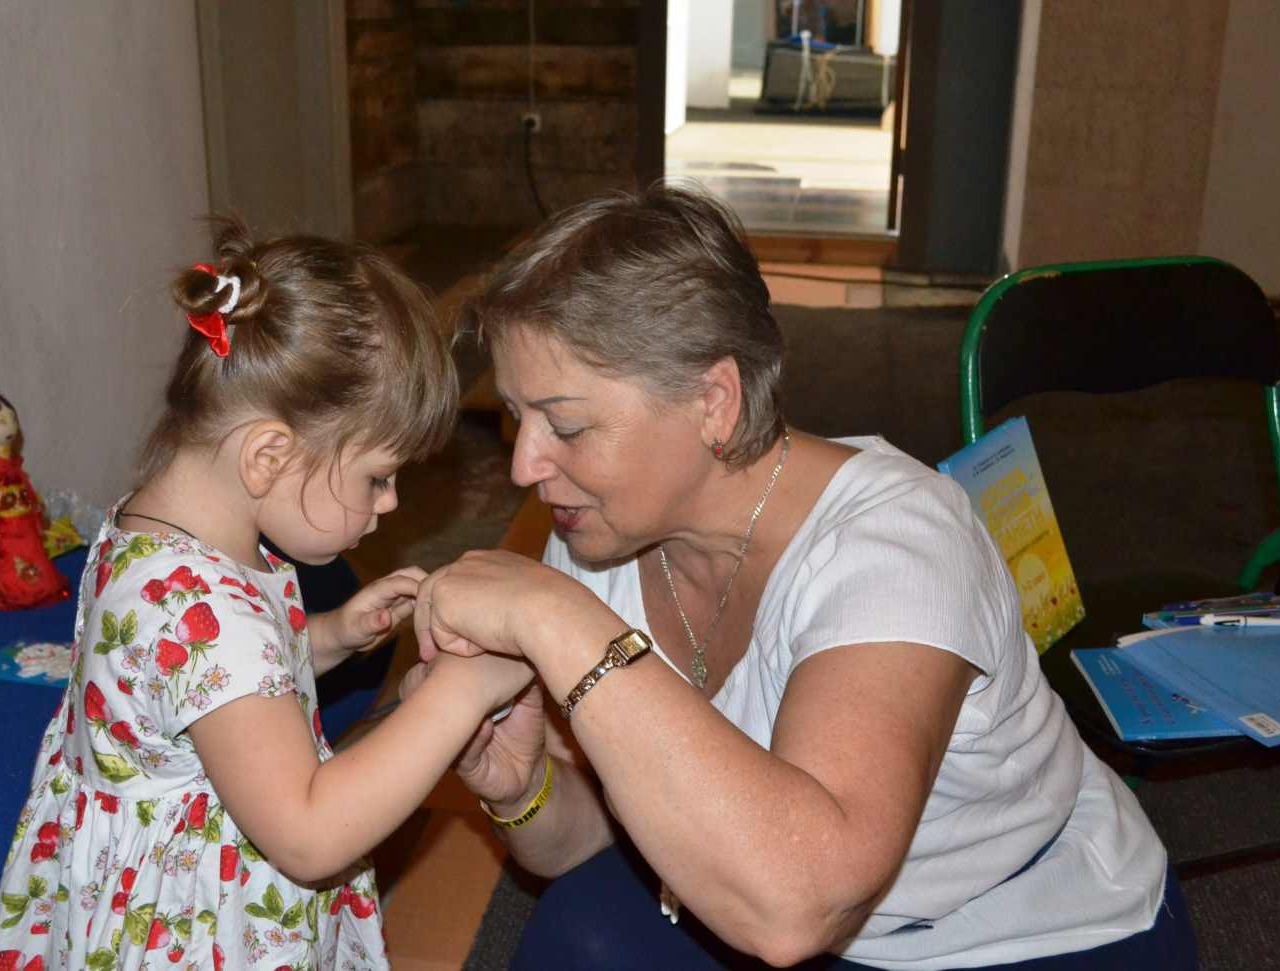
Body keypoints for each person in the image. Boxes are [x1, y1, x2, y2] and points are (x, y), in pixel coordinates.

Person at [405, 185, 1197, 969]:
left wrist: (560, 622)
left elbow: (801, 904)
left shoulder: (898, 544)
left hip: (1017, 934)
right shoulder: (593, 536)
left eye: (567, 424)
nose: (524, 464)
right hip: (781, 905)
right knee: (575, 932)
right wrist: (523, 790)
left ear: (714, 402)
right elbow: (594, 836)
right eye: (519, 417)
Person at [0, 218, 532, 971]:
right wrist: (461, 692)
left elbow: (208, 695)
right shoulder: (204, 612)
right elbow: (309, 834)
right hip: (197, 929)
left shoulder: (156, 532)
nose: (391, 503)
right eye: (378, 476)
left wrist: (329, 634)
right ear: (269, 455)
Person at [0, 380, 70, 610]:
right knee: (7, 552)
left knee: (31, 546)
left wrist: (34, 504)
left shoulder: (14, 467)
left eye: (13, 420)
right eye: (2, 422)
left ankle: (34, 582)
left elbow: (23, 486)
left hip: (23, 521)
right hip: (6, 524)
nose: (11, 427)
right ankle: (11, 585)